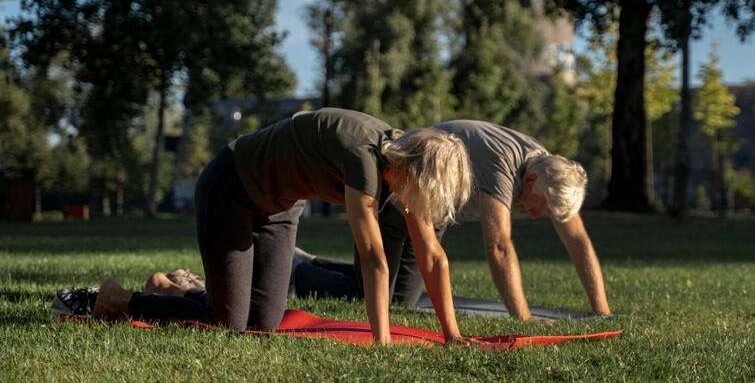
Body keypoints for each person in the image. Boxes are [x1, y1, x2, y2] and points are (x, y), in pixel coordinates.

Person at [90, 108, 474, 345]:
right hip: (231, 189)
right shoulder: (366, 160)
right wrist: (382, 343)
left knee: (262, 324)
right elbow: (373, 258)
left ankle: (169, 289)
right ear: (415, 170)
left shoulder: (403, 164)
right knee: (228, 324)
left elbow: (433, 257)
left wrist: (453, 335)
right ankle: (119, 300)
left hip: (280, 210)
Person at [293, 120, 612, 320]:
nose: (539, 215)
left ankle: (314, 263)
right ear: (528, 181)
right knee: (369, 294)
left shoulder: (552, 172)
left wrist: (602, 312)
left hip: (436, 206)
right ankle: (299, 273)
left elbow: (578, 240)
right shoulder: (502, 167)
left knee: (402, 300)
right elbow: (499, 246)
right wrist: (523, 319)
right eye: (540, 206)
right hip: (403, 186)